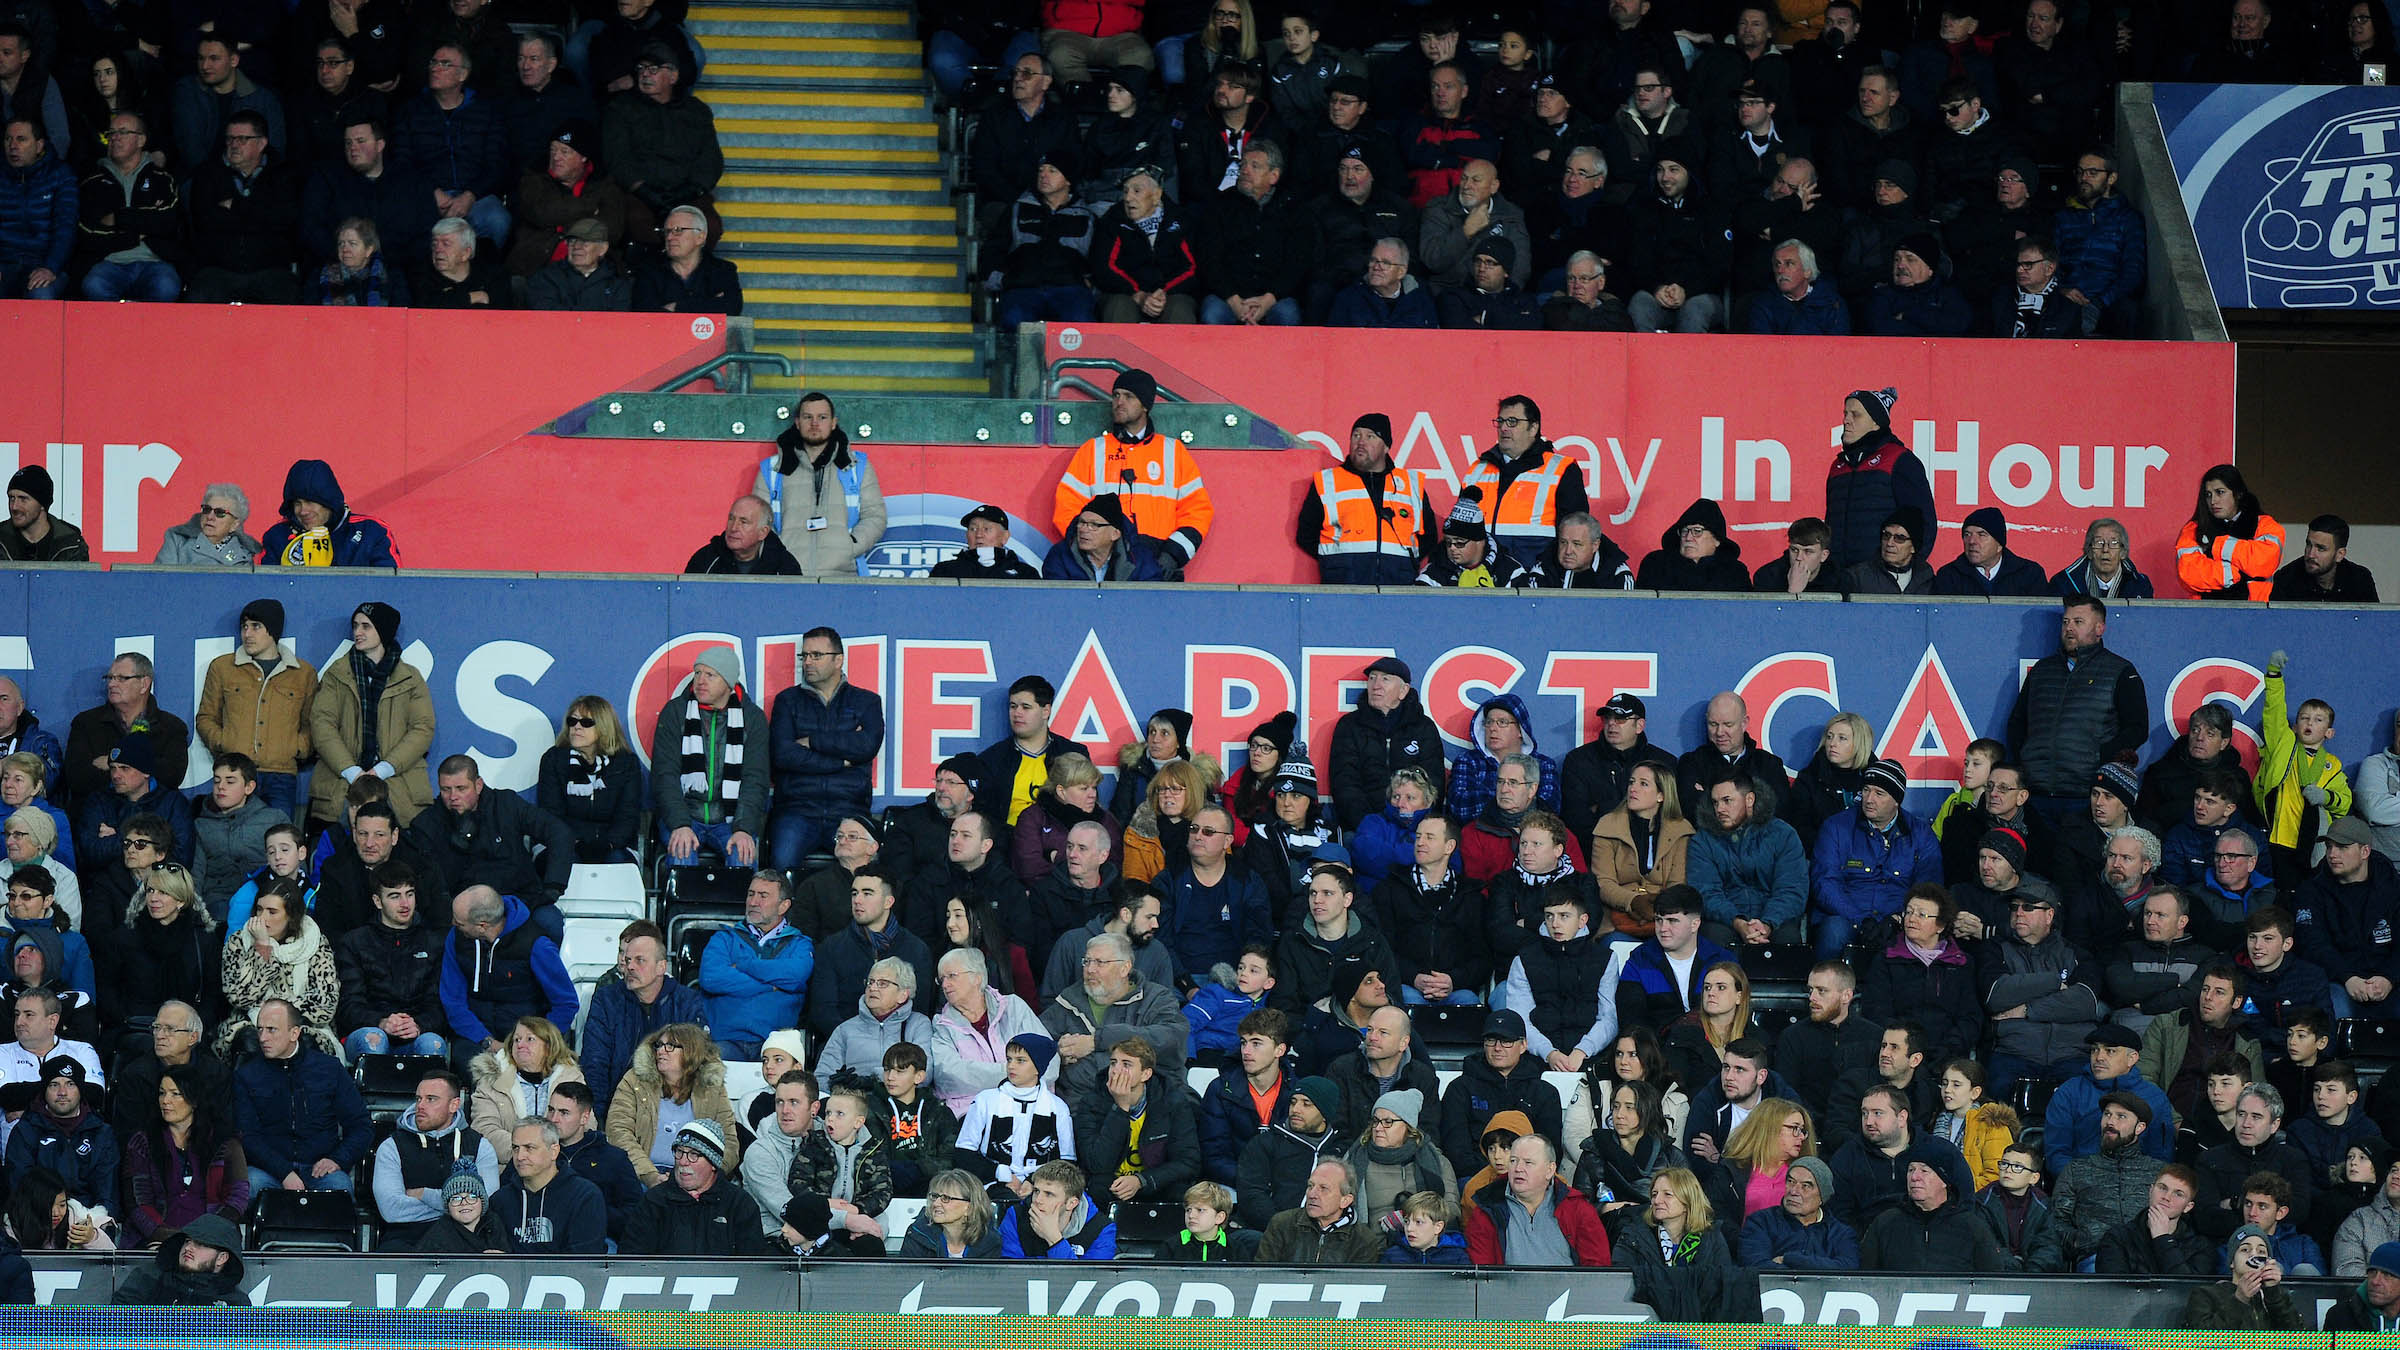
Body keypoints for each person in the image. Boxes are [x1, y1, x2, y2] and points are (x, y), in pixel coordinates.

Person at [1052, 368, 1210, 577]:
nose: (1119, 402)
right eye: (1116, 395)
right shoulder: (1093, 451)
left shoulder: (1173, 452)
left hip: (1158, 562)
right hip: (1105, 566)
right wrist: (1095, 552)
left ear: (1145, 405)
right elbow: (1067, 508)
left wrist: (1173, 555)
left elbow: (1198, 511)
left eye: (1129, 396)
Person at [2005, 597, 2148, 813]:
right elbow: (2018, 722)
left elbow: (2137, 729)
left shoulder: (2121, 671)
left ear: (2099, 628)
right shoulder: (2042, 670)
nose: (2069, 628)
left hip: (2086, 794)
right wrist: (2024, 763)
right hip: (2036, 793)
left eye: (2078, 622)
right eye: (2065, 622)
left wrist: (2099, 759)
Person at [648, 646, 767, 870]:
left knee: (743, 857)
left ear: (728, 682)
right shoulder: (676, 712)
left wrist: (743, 829)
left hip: (731, 820)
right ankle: (681, 907)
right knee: (682, 853)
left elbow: (755, 780)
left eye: (710, 675)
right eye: (697, 673)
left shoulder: (752, 718)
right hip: (685, 814)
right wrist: (680, 824)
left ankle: (738, 907)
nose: (700, 680)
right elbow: (665, 776)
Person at [438, 887, 579, 1070]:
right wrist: (487, 1041)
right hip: (474, 1037)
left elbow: (566, 1003)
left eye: (459, 922)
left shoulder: (536, 945)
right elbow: (452, 1000)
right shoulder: (456, 939)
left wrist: (536, 1041)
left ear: (482, 925)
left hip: (526, 1040)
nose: (452, 924)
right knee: (466, 1062)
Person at [753, 393, 885, 578]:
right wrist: (780, 556)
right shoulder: (772, 469)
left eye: (822, 417)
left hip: (844, 576)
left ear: (833, 422)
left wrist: (849, 546)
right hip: (787, 577)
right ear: (797, 423)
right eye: (808, 417)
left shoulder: (857, 465)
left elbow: (875, 516)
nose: (815, 423)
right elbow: (757, 523)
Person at [1296, 413, 1433, 586]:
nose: (1361, 442)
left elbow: (1429, 536)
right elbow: (1306, 534)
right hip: (1343, 588)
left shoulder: (1410, 484)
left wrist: (1403, 565)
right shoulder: (1328, 482)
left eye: (1370, 436)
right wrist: (1337, 563)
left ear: (1386, 447)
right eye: (1356, 435)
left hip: (1398, 589)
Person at [1458, 394, 1590, 574]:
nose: (1504, 428)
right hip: (1481, 579)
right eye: (1500, 421)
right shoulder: (1477, 470)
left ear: (1533, 427)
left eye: (1513, 422)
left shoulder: (1562, 469)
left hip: (1536, 579)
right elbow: (1459, 530)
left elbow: (1575, 534)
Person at [370, 1068, 502, 1247]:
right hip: (406, 1243)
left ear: (454, 1105)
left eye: (431, 1099)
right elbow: (392, 1210)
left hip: (467, 1242)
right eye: (418, 1099)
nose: (420, 1106)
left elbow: (488, 1202)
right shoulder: (392, 1146)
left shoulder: (479, 1146)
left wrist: (424, 1194)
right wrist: (463, 1207)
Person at [2258, 651, 2353, 886]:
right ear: (2294, 725)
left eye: (2318, 720)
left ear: (2329, 733)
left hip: (2314, 845)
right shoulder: (2284, 746)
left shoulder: (2333, 766)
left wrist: (2326, 796)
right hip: (2279, 839)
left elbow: (2345, 803)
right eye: (2304, 718)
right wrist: (2273, 676)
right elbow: (2274, 712)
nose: (2310, 723)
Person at [623, 1118, 779, 1255]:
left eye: (693, 1155)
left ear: (713, 1163)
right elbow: (632, 1260)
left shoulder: (739, 1204)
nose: (683, 1162)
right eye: (679, 1152)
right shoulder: (654, 1201)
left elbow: (753, 1268)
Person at [2295, 817, 2400, 1016]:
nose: (2332, 854)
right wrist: (2347, 977)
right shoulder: (2311, 890)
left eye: (2342, 847)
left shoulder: (2393, 887)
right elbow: (2312, 944)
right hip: (2338, 982)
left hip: (2391, 983)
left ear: (2365, 851)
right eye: (2329, 846)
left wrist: (2389, 978)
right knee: (2332, 1005)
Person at [1824, 387, 1936, 573]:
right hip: (1839, 576)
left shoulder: (1900, 460)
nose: (1846, 420)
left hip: (1882, 576)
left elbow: (1924, 522)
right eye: (1845, 414)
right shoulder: (1838, 465)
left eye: (1855, 415)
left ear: (1876, 423)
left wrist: (1907, 573)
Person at [1860, 1144, 2006, 1271]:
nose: (1914, 1177)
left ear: (1945, 1180)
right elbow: (1866, 1278)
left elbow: (1992, 1282)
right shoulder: (1886, 1223)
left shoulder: (1972, 1227)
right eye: (1911, 1170)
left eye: (1924, 1171)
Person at [467, 1018, 585, 1163]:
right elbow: (484, 1130)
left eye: (530, 1039)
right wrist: (528, 1152)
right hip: (509, 1171)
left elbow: (585, 1124)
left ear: (549, 1046)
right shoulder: (491, 1080)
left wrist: (553, 1156)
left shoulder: (572, 1078)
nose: (520, 1045)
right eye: (516, 1040)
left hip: (564, 1166)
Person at [2175, 464, 2285, 602]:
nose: (2213, 501)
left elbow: (2262, 563)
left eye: (2220, 492)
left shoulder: (2265, 524)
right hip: (2205, 616)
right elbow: (2190, 574)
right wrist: (2231, 572)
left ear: (2238, 493)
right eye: (2208, 495)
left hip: (2255, 615)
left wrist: (2219, 546)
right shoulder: (2193, 529)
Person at [1739, 1153, 1857, 1270]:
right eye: (1791, 1182)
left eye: (1806, 1186)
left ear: (1822, 1197)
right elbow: (1754, 1265)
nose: (1794, 1191)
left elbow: (1848, 1269)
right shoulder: (1761, 1222)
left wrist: (1790, 1259)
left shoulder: (1840, 1234)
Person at [0, 117, 74, 302]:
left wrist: (51, 267)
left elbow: (66, 226)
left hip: (42, 262)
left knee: (41, 295)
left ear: (39, 145)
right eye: (8, 139)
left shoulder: (60, 175)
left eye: (21, 139)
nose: (13, 145)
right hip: (5, 263)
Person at [108, 1213, 247, 1305]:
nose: (188, 1248)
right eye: (187, 1241)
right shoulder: (149, 1278)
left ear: (221, 1258)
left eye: (200, 1244)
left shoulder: (235, 1303)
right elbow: (117, 1325)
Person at [996, 1158, 1117, 1259]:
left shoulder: (1101, 1229)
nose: (1038, 1200)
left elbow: (1090, 1282)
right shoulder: (1015, 1217)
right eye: (1036, 1191)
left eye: (1049, 1194)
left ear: (1071, 1203)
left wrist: (1054, 1239)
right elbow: (1010, 1276)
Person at [634, 203, 742, 314]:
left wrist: (677, 307)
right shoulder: (648, 271)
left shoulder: (722, 270)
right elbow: (645, 315)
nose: (670, 237)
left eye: (678, 230)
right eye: (667, 231)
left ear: (700, 237)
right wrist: (708, 303)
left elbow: (732, 308)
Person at [2272, 515, 2379, 603]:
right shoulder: (2286, 578)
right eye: (2309, 545)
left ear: (2340, 555)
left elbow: (2373, 623)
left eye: (2321, 549)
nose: (2311, 554)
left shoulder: (2359, 579)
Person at [902, 1168, 1003, 1258]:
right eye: (934, 1196)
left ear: (970, 1207)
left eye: (946, 1198)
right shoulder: (917, 1234)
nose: (936, 1203)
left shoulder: (989, 1241)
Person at [2055, 517, 2155, 599]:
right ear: (2089, 551)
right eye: (2099, 543)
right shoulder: (2064, 583)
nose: (2105, 549)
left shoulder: (2140, 584)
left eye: (2113, 543)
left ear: (2123, 553)